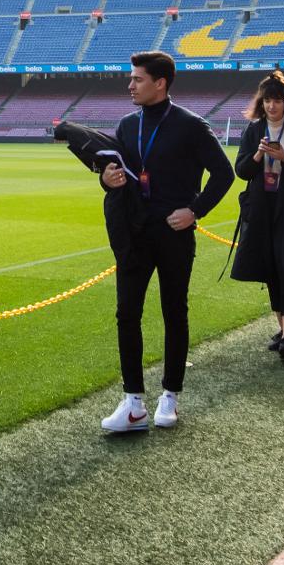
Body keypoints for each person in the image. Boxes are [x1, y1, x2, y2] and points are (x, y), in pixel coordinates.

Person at [96, 50, 234, 432]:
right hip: (134, 234)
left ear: (160, 83)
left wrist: (195, 210)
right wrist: (106, 179)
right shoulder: (126, 125)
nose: (130, 85)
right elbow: (115, 173)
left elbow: (224, 173)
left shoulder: (191, 125)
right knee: (127, 314)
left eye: (137, 79)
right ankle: (133, 401)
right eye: (131, 78)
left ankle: (170, 395)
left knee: (174, 312)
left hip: (174, 233)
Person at [231, 72, 284, 363]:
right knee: (269, 268)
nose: (272, 106)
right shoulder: (254, 131)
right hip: (261, 208)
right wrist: (258, 156)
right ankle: (282, 331)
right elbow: (241, 171)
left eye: (277, 101)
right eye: (267, 100)